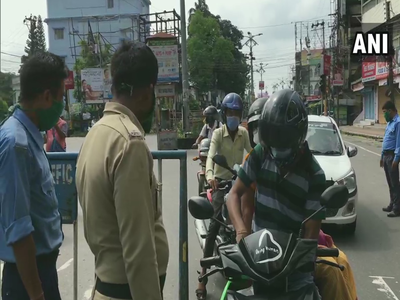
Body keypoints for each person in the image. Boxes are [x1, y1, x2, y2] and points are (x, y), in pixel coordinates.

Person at [75, 40, 169, 300]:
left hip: (105, 285)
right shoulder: (130, 143)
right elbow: (138, 250)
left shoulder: (95, 134)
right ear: (147, 91)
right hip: (127, 293)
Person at [227, 89, 326, 297]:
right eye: (273, 138)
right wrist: (241, 232)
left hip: (295, 270)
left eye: (283, 138)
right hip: (261, 260)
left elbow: (310, 233)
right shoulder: (261, 154)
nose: (277, 146)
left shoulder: (314, 174)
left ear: (298, 134)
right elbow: (234, 195)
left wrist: (302, 263)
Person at [0, 52, 66, 300]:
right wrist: (37, 295)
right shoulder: (16, 144)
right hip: (27, 281)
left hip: (42, 271)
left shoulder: (30, 136)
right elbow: (19, 229)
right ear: (47, 96)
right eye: (60, 98)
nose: (61, 107)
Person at [196, 93, 252, 300]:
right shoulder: (218, 134)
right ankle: (202, 277)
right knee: (214, 226)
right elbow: (211, 155)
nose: (234, 116)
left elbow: (252, 154)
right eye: (230, 112)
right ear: (224, 113)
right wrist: (210, 176)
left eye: (237, 113)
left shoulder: (244, 133)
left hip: (240, 183)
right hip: (220, 184)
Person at [381, 100, 400, 217]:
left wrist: (396, 159)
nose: (384, 114)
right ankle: (392, 204)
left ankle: (397, 208)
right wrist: (382, 156)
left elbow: (399, 142)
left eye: (385, 112)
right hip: (386, 155)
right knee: (389, 182)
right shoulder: (389, 123)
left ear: (390, 110)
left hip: (393, 155)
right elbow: (386, 140)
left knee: (394, 183)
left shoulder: (398, 123)